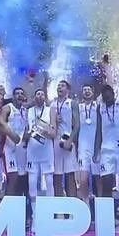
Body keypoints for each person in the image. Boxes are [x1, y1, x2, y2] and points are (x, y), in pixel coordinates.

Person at [92, 85, 119, 221]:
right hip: (106, 150)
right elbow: (98, 129)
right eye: (103, 94)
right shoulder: (100, 107)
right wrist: (96, 150)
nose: (106, 96)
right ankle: (106, 218)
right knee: (106, 184)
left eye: (108, 93)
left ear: (113, 93)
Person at [25, 88, 57, 224]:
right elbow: (25, 132)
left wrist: (45, 130)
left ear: (45, 97)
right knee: (32, 182)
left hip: (46, 149)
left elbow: (54, 133)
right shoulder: (28, 111)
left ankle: (50, 214)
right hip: (32, 150)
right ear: (34, 96)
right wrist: (27, 134)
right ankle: (35, 216)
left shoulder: (51, 110)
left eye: (42, 94)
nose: (40, 96)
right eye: (37, 93)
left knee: (49, 181)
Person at [51, 80, 79, 199]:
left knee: (70, 174)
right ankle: (58, 205)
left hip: (68, 139)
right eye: (58, 85)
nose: (59, 87)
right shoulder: (52, 104)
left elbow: (77, 124)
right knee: (56, 175)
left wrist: (70, 140)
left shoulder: (71, 103)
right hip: (55, 141)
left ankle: (72, 203)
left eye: (62, 86)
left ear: (67, 90)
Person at [75, 83, 100, 205]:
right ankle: (86, 205)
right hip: (83, 147)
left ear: (93, 92)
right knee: (83, 179)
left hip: (96, 147)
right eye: (84, 90)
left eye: (89, 89)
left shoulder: (99, 105)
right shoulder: (78, 107)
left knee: (99, 178)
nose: (86, 92)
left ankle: (101, 205)